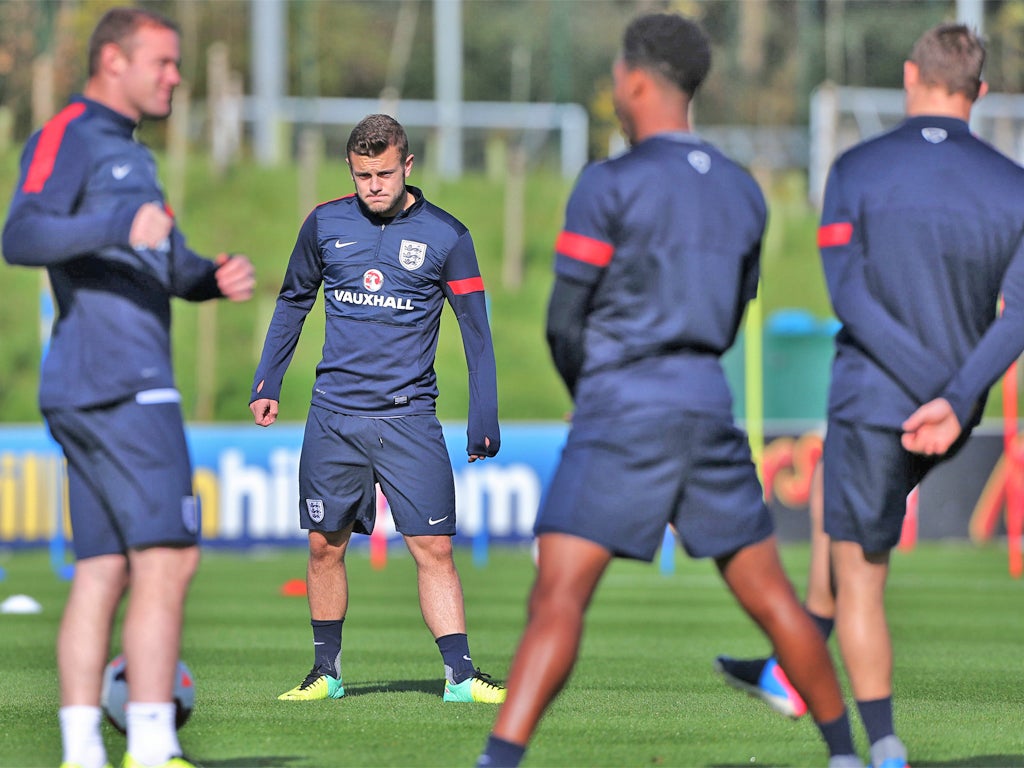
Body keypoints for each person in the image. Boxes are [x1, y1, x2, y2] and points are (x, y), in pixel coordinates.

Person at [476, 13, 860, 768]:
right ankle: (850, 755)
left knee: (558, 596)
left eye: (617, 76)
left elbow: (564, 321)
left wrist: (589, 390)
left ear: (638, 81)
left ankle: (499, 760)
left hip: (623, 405)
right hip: (706, 404)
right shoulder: (746, 192)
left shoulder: (609, 181)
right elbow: (734, 309)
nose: (613, 88)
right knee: (775, 601)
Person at [716, 22, 1024, 768]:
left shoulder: (855, 167)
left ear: (911, 76)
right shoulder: (1015, 185)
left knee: (858, 571)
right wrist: (955, 397)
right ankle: (788, 670)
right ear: (978, 93)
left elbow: (849, 295)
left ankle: (874, 747)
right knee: (834, 516)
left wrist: (923, 387)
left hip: (877, 397)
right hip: (957, 401)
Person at [1, 8, 256, 768]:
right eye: (165, 62)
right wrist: (116, 224)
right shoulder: (69, 135)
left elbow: (161, 261)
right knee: (169, 559)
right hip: (119, 381)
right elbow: (20, 234)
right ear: (113, 61)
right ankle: (151, 746)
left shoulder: (131, 155)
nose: (176, 76)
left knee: (105, 568)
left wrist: (207, 277)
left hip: (103, 383)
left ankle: (83, 753)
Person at [250, 113, 505, 705]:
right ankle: (326, 673)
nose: (373, 185)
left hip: (408, 416)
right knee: (323, 545)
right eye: (363, 174)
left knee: (434, 548)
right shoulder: (323, 224)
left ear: (408, 166)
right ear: (351, 169)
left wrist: (483, 416)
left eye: (384, 173)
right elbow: (293, 302)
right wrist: (269, 381)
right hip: (333, 415)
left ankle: (461, 677)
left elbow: (477, 334)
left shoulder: (447, 235)